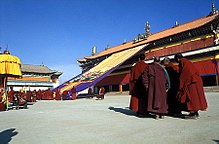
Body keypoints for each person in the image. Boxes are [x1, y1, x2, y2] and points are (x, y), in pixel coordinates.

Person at [174, 53, 208, 119]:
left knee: (191, 98)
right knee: (196, 98)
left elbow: (184, 73)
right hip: (195, 81)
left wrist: (181, 83)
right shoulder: (187, 62)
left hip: (191, 82)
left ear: (178, 58)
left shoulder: (182, 61)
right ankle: (196, 113)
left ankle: (193, 113)